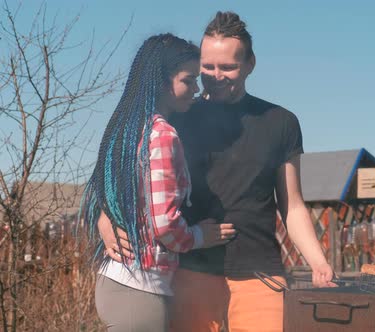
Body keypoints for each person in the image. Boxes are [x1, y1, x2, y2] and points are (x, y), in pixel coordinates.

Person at [100, 11, 336, 332]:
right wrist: (106, 218)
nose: (215, 75)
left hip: (258, 273)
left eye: (228, 67)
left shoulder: (281, 122)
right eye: (207, 67)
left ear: (250, 64)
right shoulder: (177, 117)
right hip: (189, 271)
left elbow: (291, 205)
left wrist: (318, 262)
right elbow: (129, 179)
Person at [79, 33, 236, 332]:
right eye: (188, 80)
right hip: (141, 290)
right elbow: (164, 225)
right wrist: (200, 236)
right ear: (163, 82)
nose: (196, 89)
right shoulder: (163, 135)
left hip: (116, 283)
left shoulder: (127, 129)